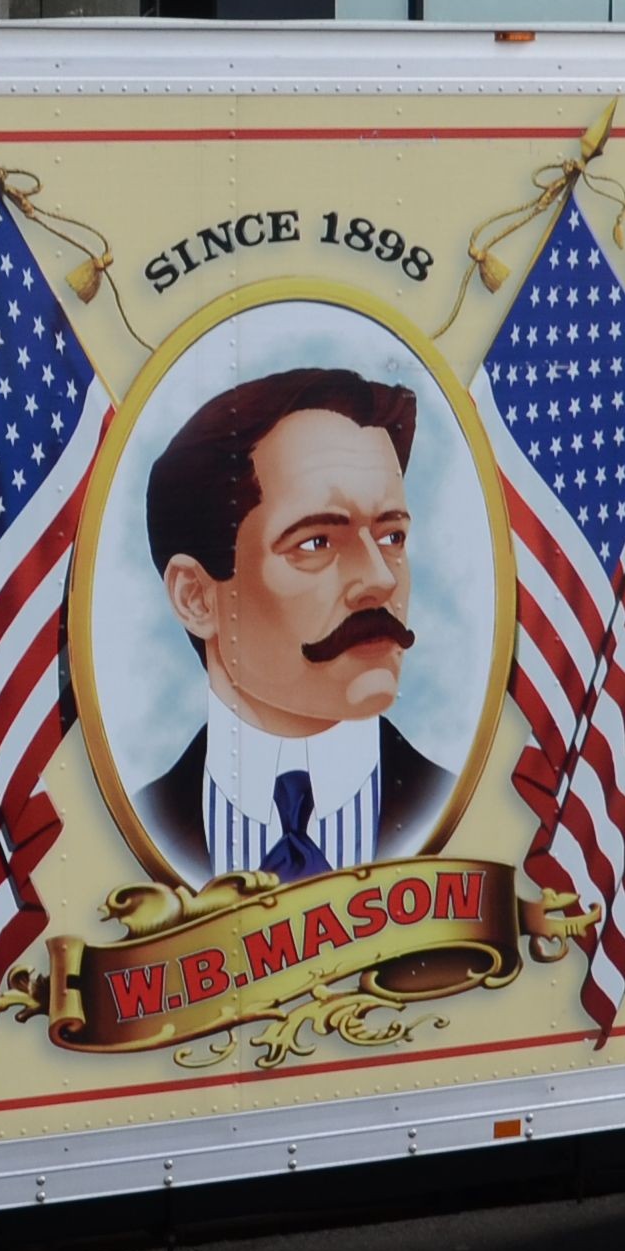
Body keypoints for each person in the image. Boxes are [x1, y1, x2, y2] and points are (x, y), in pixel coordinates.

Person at [132, 366, 452, 884]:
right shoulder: (140, 828)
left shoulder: (451, 805)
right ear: (196, 598)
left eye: (391, 537)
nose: (380, 579)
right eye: (316, 542)